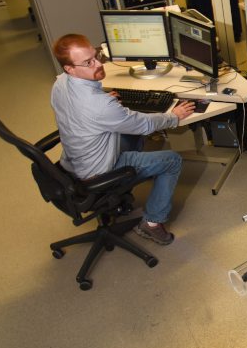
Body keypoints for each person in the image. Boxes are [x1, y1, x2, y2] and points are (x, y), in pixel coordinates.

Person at [50, 34, 195, 245]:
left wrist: (103, 105)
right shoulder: (99, 106)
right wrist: (175, 117)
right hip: (98, 173)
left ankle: (122, 197)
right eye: (88, 62)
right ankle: (152, 223)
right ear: (70, 69)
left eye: (96, 55)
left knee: (131, 134)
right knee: (172, 160)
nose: (98, 64)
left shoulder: (60, 83)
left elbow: (80, 111)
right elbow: (143, 124)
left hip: (71, 163)